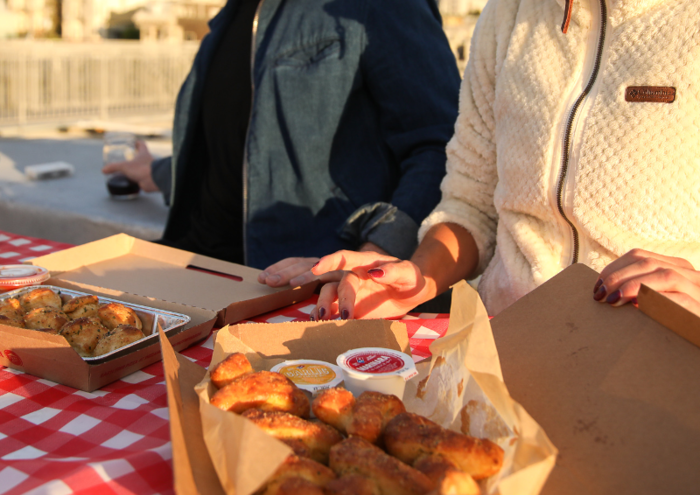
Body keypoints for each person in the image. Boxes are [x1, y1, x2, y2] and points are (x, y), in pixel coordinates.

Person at [309, 0, 700, 320]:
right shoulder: (508, 14)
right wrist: (419, 276)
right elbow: (471, 201)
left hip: (654, 367)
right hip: (503, 350)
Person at [102, 0, 461, 287]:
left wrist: (376, 255)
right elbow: (239, 148)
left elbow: (442, 145)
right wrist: (156, 171)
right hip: (195, 271)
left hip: (300, 287)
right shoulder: (233, 14)